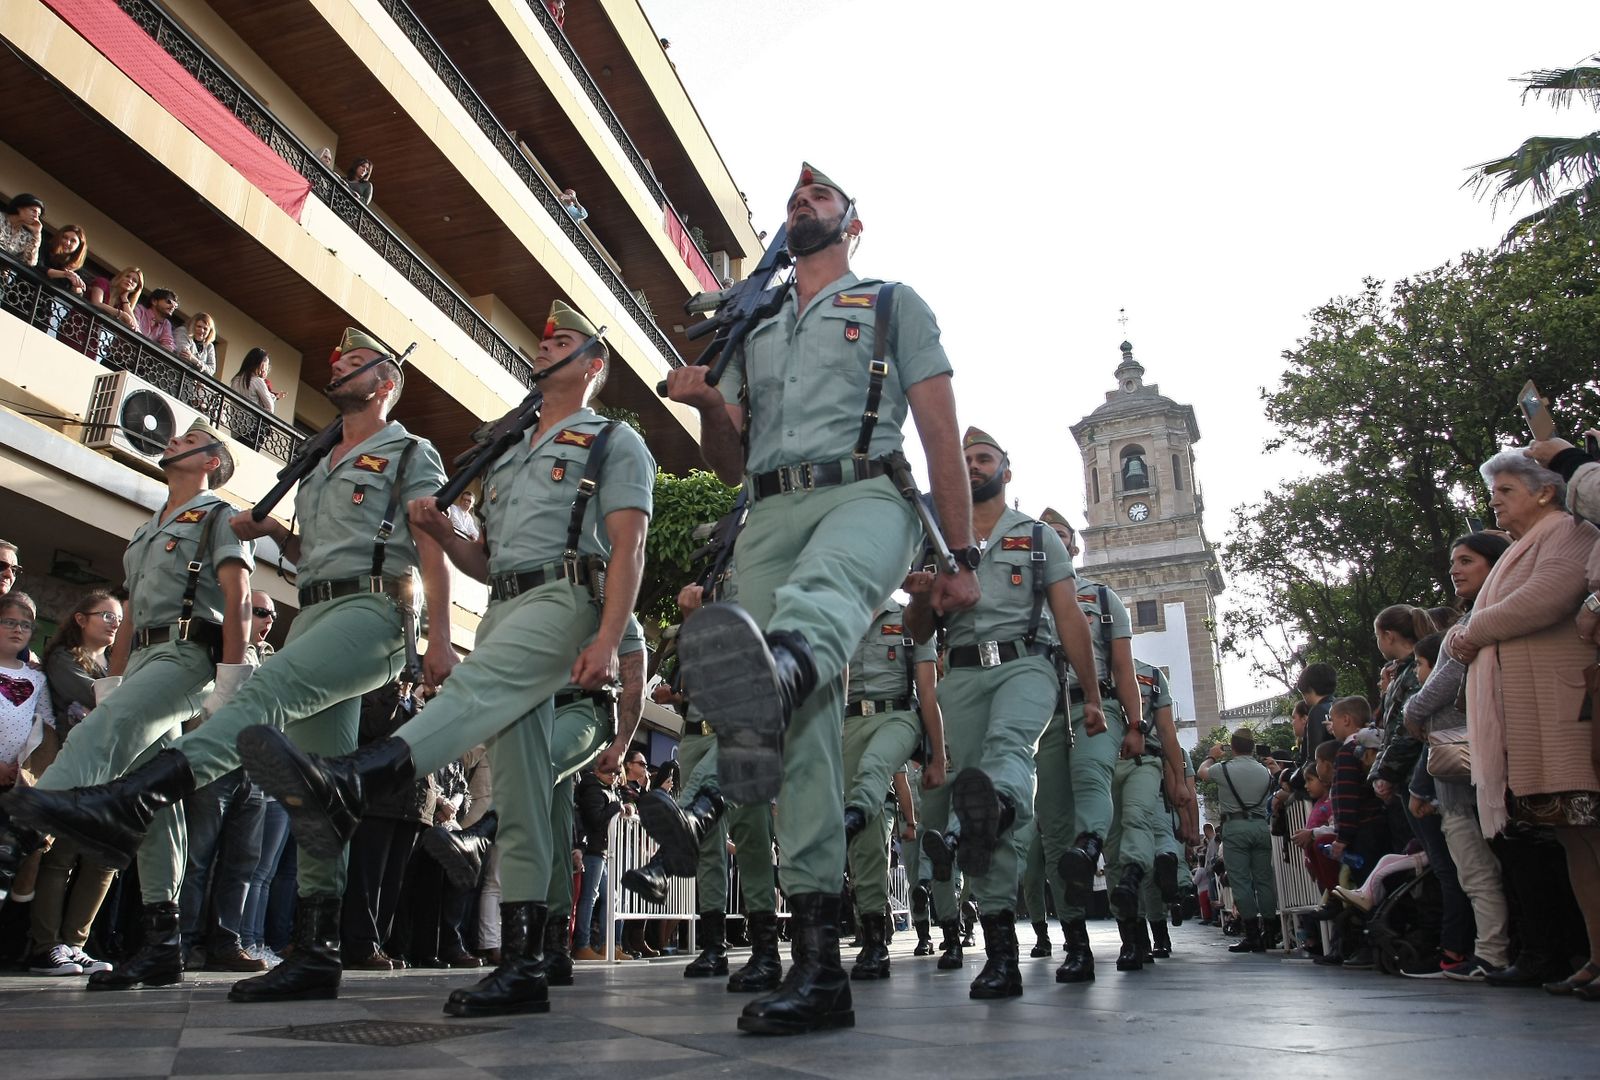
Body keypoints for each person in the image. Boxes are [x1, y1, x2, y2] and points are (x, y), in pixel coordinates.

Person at [5, 328, 451, 1003]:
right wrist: (276, 534)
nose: (341, 366)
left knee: (262, 697)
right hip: (321, 611)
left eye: (358, 362)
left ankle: (125, 796)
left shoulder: (408, 450)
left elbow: (431, 542)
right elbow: (314, 558)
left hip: (377, 614)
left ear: (385, 384)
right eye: (340, 357)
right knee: (313, 796)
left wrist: (439, 639)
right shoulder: (322, 463)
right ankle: (317, 948)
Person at [236, 302, 652, 1019]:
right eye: (542, 335)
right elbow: (489, 565)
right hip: (506, 608)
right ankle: (522, 964)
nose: (544, 343)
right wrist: (444, 533)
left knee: (472, 693)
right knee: (520, 796)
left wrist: (611, 638)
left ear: (593, 365)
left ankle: (355, 777)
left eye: (562, 340)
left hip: (565, 599)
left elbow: (628, 546)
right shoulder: (509, 452)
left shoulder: (613, 442)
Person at [665, 162, 978, 1035]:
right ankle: (816, 969)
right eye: (794, 202)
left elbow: (939, 426)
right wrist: (706, 406)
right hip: (766, 509)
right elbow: (729, 461)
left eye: (820, 200)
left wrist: (961, 551)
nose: (803, 208)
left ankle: (778, 673)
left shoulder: (890, 302)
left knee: (818, 606)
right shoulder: (754, 318)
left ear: (852, 223)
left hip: (867, 492)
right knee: (799, 738)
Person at [1, 421, 252, 989]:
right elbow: (131, 615)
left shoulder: (220, 517)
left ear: (212, 461)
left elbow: (236, 598)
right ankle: (164, 942)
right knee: (156, 801)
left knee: (104, 732)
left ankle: (24, 825)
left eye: (189, 442)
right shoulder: (144, 532)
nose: (174, 443)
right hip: (139, 660)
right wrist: (111, 679)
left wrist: (231, 680)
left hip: (187, 655)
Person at [909, 429, 1103, 999]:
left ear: (1006, 471)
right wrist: (922, 596)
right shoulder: (938, 541)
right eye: (964, 459)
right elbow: (921, 634)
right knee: (978, 818)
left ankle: (1000, 800)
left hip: (1027, 664)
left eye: (984, 458)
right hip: (962, 674)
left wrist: (1091, 694)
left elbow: (1070, 617)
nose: (972, 466)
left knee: (1005, 751)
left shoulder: (1038, 537)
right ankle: (1000, 955)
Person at [1451, 450, 1600, 995]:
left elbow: (1543, 600)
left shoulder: (1567, 532)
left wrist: (1467, 633)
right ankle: (1594, 954)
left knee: (1590, 837)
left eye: (1507, 489)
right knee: (1575, 842)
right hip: (1537, 716)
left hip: (1565, 711)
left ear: (1545, 492)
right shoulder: (1521, 547)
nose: (1495, 500)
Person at [840, 595, 943, 980]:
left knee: (873, 769)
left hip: (897, 718)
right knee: (864, 842)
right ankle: (873, 938)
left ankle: (852, 813)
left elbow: (927, 693)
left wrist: (936, 757)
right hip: (848, 723)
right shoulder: (839, 614)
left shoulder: (911, 617)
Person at [23, 592, 121, 976]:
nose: (115, 623)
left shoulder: (116, 662)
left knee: (102, 861)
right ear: (81, 619)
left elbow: (115, 704)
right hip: (73, 768)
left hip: (111, 771)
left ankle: (75, 943)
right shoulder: (64, 658)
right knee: (59, 859)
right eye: (106, 616)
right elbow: (107, 699)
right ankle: (45, 946)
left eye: (119, 618)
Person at [1198, 728, 1277, 954]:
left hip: (1235, 827)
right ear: (1252, 748)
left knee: (1241, 881)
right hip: (1261, 826)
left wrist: (1212, 755)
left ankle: (1252, 934)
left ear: (1232, 748)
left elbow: (1203, 772)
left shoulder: (1224, 769)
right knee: (1264, 880)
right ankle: (1270, 933)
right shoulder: (1265, 772)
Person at [87, 265, 144, 333]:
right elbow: (96, 303)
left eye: (134, 281)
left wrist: (125, 299)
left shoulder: (122, 303)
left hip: (97, 335)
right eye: (127, 276)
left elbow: (134, 328)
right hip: (82, 324)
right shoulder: (102, 282)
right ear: (120, 277)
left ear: (135, 289)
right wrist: (121, 314)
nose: (130, 280)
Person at [40, 224, 88, 296]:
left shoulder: (77, 269)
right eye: (65, 237)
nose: (67, 242)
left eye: (73, 241)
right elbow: (38, 267)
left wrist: (76, 286)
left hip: (47, 301)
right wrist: (65, 274)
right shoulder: (45, 247)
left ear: (79, 247)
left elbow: (78, 295)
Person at [0, 193, 44, 267]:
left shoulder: (26, 236)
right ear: (20, 208)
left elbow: (30, 263)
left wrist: (37, 234)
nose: (36, 217)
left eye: (38, 215)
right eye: (33, 211)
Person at [231, 348, 278, 413]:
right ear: (261, 364)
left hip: (235, 420)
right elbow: (270, 408)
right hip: (251, 420)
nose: (265, 370)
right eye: (266, 366)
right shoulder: (257, 381)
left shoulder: (236, 380)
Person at [178, 312, 218, 377]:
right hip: (178, 375)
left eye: (205, 329)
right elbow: (183, 355)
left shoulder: (209, 346)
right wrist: (203, 368)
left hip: (194, 383)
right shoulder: (183, 332)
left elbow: (212, 370)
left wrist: (194, 360)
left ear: (210, 331)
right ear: (192, 326)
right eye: (199, 326)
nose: (202, 330)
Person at [138, 288, 179, 352]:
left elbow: (169, 345)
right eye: (169, 302)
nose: (172, 306)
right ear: (154, 301)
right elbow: (133, 328)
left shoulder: (166, 324)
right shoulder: (140, 310)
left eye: (175, 305)